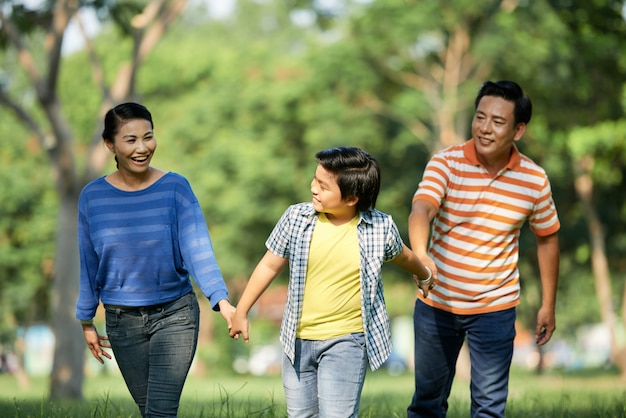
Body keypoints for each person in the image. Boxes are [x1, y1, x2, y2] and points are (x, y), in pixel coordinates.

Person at [229, 147, 435, 418]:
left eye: (323, 186)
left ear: (351, 198)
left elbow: (405, 257)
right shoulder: (296, 219)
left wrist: (425, 274)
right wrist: (242, 310)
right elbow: (269, 265)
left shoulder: (379, 228)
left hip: (347, 341)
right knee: (301, 415)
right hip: (297, 341)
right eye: (315, 180)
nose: (314, 188)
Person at [406, 80, 560, 418]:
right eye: (480, 117)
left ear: (518, 130)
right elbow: (422, 209)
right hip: (437, 303)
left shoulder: (534, 180)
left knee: (489, 408)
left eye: (498, 122)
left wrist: (548, 304)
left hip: (496, 307)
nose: (485, 129)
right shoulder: (446, 162)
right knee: (427, 404)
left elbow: (547, 238)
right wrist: (421, 253)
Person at [75, 102, 235, 418]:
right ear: (110, 145)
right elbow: (89, 261)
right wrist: (86, 319)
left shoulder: (175, 188)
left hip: (175, 315)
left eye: (148, 137)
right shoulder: (92, 197)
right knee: (150, 410)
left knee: (160, 412)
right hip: (121, 321)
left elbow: (198, 250)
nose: (143, 147)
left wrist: (222, 301)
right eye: (130, 139)